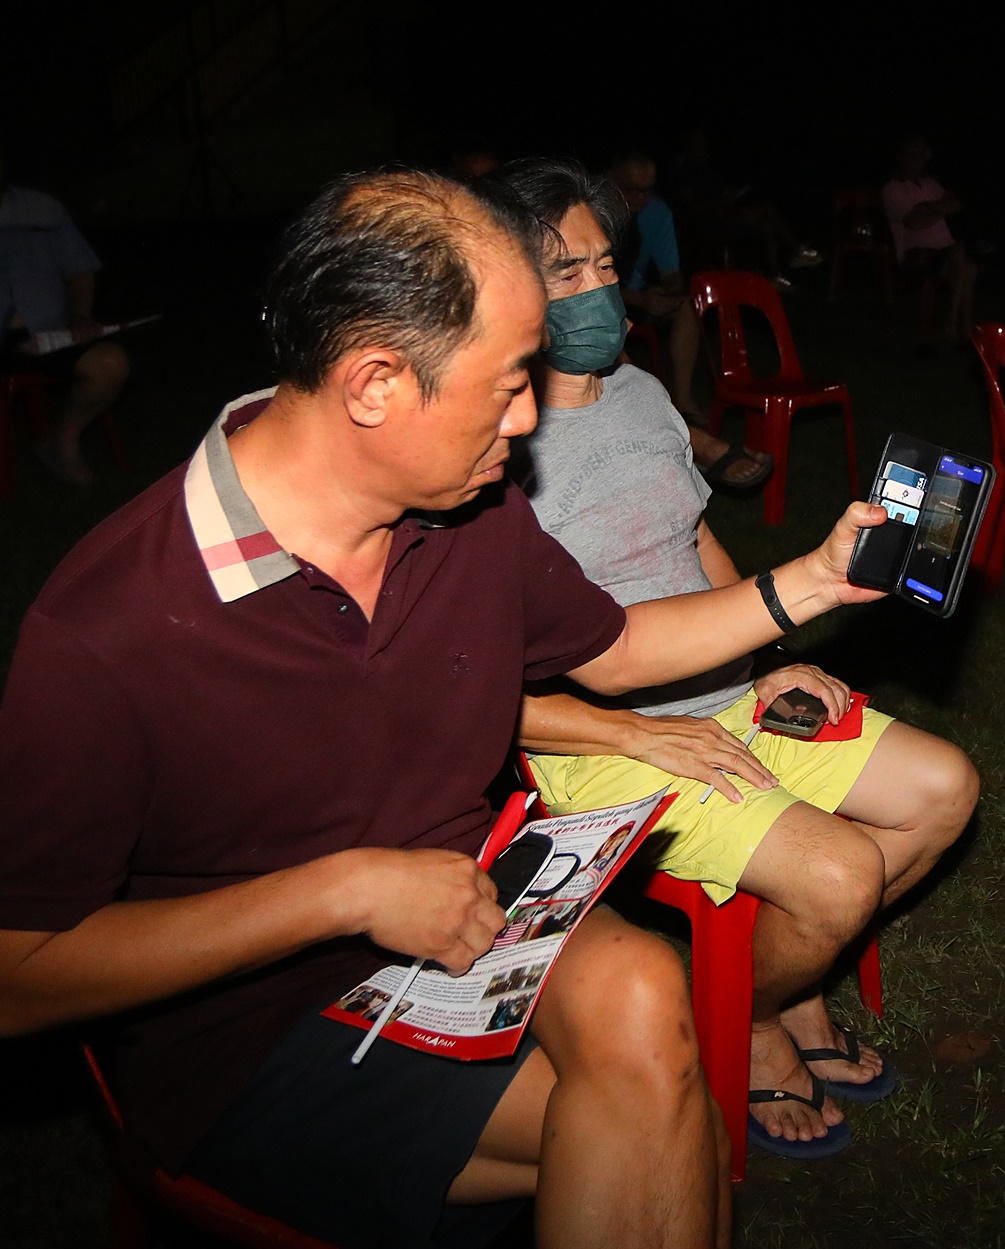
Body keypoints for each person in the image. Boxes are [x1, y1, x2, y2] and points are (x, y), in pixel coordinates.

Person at [0, 168, 894, 1249]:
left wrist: (809, 579)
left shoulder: (468, 514)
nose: (529, 418)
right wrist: (340, 893)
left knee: (647, 1005)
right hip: (256, 1032)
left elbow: (614, 651)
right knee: (665, 1136)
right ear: (375, 382)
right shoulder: (111, 628)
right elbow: (21, 977)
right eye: (509, 379)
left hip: (474, 916)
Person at [485, 157, 977, 1160]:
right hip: (602, 735)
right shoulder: (485, 455)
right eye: (562, 276)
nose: (595, 295)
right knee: (838, 878)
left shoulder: (639, 393)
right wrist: (641, 734)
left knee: (945, 787)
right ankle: (751, 1020)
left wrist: (766, 663)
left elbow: (695, 542)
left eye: (602, 267)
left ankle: (780, 978)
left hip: (723, 695)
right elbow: (477, 694)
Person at [604, 151, 773, 493]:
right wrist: (637, 299)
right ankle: (678, 435)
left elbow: (670, 272)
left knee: (686, 306)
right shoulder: (592, 214)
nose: (642, 198)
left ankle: (681, 400)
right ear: (609, 182)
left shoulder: (656, 212)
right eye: (633, 189)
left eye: (648, 189)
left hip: (635, 295)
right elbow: (580, 291)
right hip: (600, 304)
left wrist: (668, 292)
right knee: (607, 326)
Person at [0, 140, 131, 486]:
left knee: (110, 363)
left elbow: (80, 269)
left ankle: (63, 439)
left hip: (46, 332)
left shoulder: (41, 209)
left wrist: (81, 316)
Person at [660, 127, 823, 288]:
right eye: (698, 141)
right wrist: (722, 201)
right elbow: (692, 208)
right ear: (689, 144)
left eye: (704, 140)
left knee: (766, 224)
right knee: (766, 208)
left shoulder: (708, 170)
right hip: (706, 223)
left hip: (726, 217)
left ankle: (775, 277)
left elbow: (722, 191)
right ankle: (798, 250)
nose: (704, 144)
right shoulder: (685, 171)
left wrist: (738, 192)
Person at [881, 134, 978, 348]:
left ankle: (956, 327)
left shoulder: (931, 184)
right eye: (912, 155)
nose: (918, 161)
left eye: (922, 156)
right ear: (901, 157)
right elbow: (915, 223)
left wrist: (929, 208)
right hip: (916, 252)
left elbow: (956, 203)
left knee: (965, 262)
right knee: (966, 267)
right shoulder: (893, 189)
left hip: (945, 249)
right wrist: (939, 208)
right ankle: (961, 329)